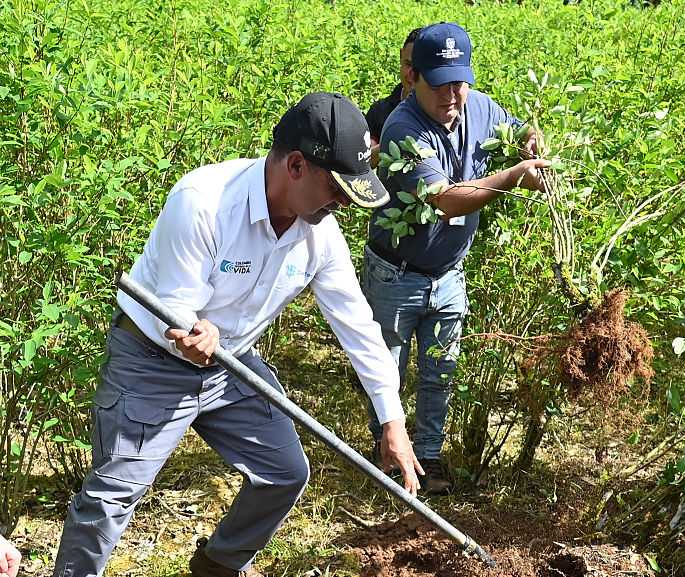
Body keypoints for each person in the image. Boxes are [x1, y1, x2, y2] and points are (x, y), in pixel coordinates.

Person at [51, 92, 421, 577]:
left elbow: (357, 325)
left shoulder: (319, 233)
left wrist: (392, 419)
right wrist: (189, 329)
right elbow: (174, 311)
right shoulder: (203, 202)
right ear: (296, 165)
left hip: (232, 363)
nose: (343, 204)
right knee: (110, 499)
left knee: (285, 473)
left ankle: (218, 566)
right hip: (151, 360)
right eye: (336, 188)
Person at [361, 22, 547, 494]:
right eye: (440, 84)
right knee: (387, 371)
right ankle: (389, 455)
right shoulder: (402, 126)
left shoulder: (479, 106)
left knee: (439, 371)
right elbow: (444, 200)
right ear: (414, 78)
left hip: (448, 272)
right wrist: (512, 177)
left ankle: (427, 457)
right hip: (396, 274)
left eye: (460, 82)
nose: (452, 95)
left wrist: (530, 137)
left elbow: (516, 130)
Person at [365, 27, 422, 147]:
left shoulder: (443, 112)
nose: (412, 74)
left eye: (419, 67)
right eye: (408, 64)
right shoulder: (379, 113)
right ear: (401, 56)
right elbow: (362, 155)